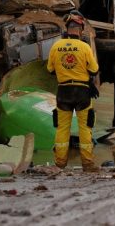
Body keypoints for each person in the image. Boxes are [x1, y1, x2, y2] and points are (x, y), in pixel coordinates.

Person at [46, 11, 100, 172]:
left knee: (62, 128)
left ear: (67, 28)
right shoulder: (84, 46)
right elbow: (94, 69)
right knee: (85, 127)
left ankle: (60, 164)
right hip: (82, 92)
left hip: (63, 92)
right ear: (80, 29)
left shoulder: (56, 46)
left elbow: (50, 69)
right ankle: (88, 164)